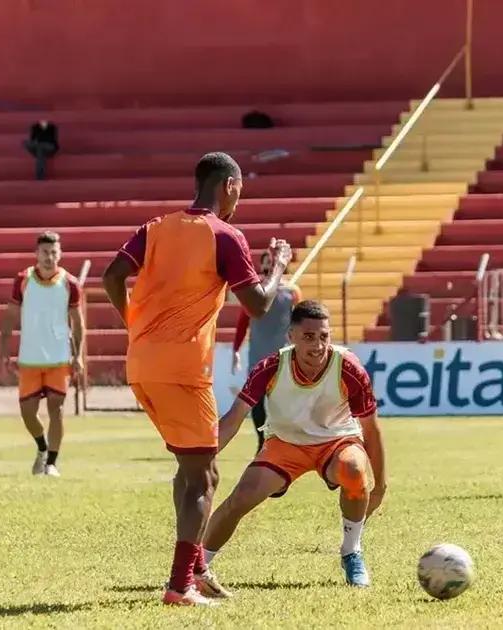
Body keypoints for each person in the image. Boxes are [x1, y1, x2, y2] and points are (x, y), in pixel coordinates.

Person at [102, 152, 292, 606]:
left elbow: (112, 276)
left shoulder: (156, 227)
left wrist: (134, 325)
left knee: (191, 470)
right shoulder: (224, 235)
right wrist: (278, 268)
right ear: (229, 185)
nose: (238, 200)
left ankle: (196, 571)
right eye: (239, 191)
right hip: (183, 370)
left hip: (142, 364)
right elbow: (259, 305)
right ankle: (179, 585)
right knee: (204, 478)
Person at [202, 300, 386, 592]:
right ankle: (196, 568)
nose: (318, 345)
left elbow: (371, 429)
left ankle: (351, 551)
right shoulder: (271, 366)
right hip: (285, 445)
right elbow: (234, 418)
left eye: (324, 336)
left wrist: (380, 486)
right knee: (241, 498)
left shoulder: (348, 367)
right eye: (308, 337)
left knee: (353, 470)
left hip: (337, 442)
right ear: (291, 336)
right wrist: (201, 460)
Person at [0, 231, 85, 477]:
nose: (49, 257)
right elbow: (10, 316)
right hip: (30, 357)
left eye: (54, 252)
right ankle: (42, 447)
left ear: (60, 253)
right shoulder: (23, 280)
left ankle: (51, 463)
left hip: (59, 358)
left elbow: (77, 322)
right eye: (45, 252)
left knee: (56, 410)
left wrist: (78, 355)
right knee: (28, 413)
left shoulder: (70, 283)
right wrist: (4, 350)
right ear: (36, 254)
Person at [231, 247, 301, 452]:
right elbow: (243, 322)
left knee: (282, 402)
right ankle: (262, 442)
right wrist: (236, 349)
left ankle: (282, 441)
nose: (269, 264)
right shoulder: (254, 292)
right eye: (266, 261)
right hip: (258, 356)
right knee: (257, 402)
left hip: (283, 355)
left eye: (272, 261)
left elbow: (298, 322)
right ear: (261, 265)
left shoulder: (292, 292)